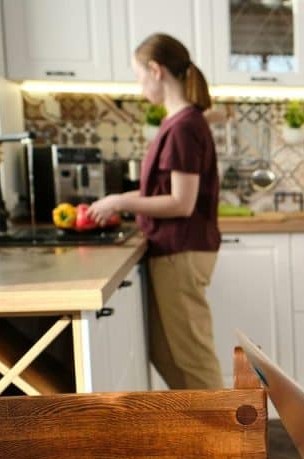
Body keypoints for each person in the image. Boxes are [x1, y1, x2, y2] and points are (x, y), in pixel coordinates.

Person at [89, 33, 223, 390]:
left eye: (138, 75)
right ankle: (196, 434)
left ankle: (228, 442)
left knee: (193, 357)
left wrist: (120, 201)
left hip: (182, 253)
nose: (139, 84)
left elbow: (181, 202)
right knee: (164, 353)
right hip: (171, 250)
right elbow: (159, 192)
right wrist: (117, 200)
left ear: (155, 70)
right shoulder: (176, 123)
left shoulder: (184, 126)